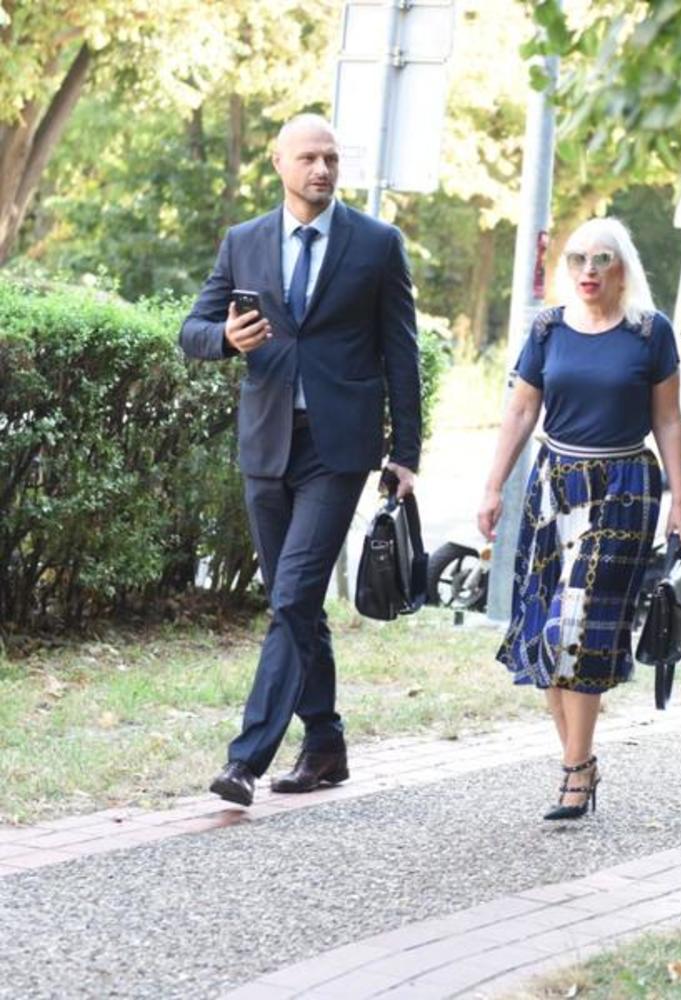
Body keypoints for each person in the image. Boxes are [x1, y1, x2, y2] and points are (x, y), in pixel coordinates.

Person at [180, 114, 421, 807]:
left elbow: (401, 351)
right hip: (267, 442)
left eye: (332, 158)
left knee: (291, 596)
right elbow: (191, 331)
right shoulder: (244, 241)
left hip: (337, 449)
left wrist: (406, 452)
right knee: (298, 602)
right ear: (279, 163)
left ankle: (245, 761)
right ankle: (325, 742)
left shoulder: (377, 244)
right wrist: (225, 338)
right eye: (309, 157)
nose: (322, 169)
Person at [478, 217, 681, 821]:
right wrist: (492, 487)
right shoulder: (547, 328)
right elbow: (521, 412)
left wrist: (679, 500)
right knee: (544, 628)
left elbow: (667, 419)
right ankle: (581, 762)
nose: (588, 270)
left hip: (623, 487)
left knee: (576, 625)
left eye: (602, 259)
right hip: (553, 483)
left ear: (623, 268)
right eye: (577, 259)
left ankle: (574, 772)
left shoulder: (649, 331)